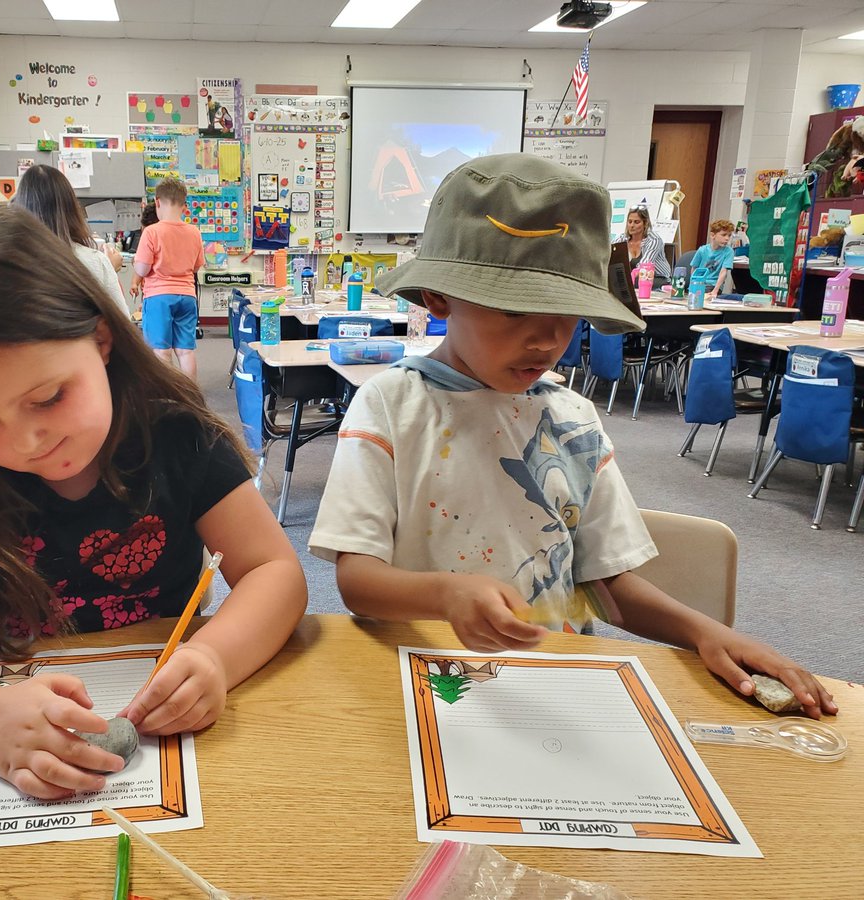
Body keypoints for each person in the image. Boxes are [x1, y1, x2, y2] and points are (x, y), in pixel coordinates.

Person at [307, 153, 836, 720]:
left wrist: (705, 632)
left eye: (567, 311)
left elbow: (605, 583)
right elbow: (358, 580)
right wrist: (446, 594)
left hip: (553, 686)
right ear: (438, 296)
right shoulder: (390, 406)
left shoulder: (574, 418)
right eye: (515, 310)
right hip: (426, 686)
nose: (546, 339)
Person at [0, 206, 307, 800]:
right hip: (0, 710)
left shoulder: (179, 438)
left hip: (159, 727)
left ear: (100, 340)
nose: (26, 441)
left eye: (48, 397)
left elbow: (275, 571)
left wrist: (217, 658)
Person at [12, 164, 130, 316]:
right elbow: (121, 319)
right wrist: (108, 270)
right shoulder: (94, 261)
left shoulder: (10, 264)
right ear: (72, 208)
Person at [132, 177, 204, 380]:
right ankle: (190, 393)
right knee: (185, 351)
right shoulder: (194, 232)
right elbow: (196, 266)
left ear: (157, 202)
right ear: (184, 206)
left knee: (161, 351)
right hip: (187, 296)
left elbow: (142, 268)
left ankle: (170, 393)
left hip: (159, 297)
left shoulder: (152, 232)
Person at [613, 205, 671, 286]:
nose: (632, 225)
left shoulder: (654, 240)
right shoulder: (622, 238)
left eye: (636, 222)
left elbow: (644, 267)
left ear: (645, 223)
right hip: (635, 278)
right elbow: (608, 255)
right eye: (630, 221)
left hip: (658, 278)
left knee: (633, 282)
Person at [689, 218, 736, 297]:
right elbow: (694, 268)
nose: (727, 238)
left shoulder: (729, 251)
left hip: (713, 285)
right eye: (723, 235)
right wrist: (692, 285)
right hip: (699, 283)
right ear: (712, 235)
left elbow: (723, 272)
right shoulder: (702, 250)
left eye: (729, 235)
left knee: (704, 294)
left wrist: (715, 291)